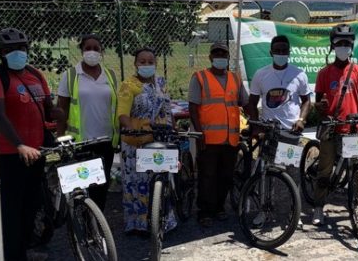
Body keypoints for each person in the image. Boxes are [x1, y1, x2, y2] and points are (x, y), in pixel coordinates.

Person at [0, 28, 63, 261]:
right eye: (11, 49)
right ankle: (12, 255)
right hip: (4, 152)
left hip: (35, 151)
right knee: (10, 209)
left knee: (32, 204)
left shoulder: (35, 74)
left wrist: (58, 112)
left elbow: (47, 108)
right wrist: (19, 145)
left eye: (22, 48)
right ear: (1, 53)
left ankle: (24, 249)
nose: (18, 52)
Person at [313, 24, 358, 225]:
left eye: (348, 44)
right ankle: (318, 206)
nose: (344, 47)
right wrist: (321, 105)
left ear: (352, 46)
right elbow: (318, 103)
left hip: (353, 129)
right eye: (340, 43)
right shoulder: (324, 73)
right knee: (325, 170)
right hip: (332, 128)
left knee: (357, 170)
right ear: (333, 46)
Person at [117, 47, 177, 234]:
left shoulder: (161, 82)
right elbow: (122, 114)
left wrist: (173, 127)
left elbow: (167, 108)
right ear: (135, 64)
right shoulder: (128, 85)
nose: (146, 65)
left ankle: (165, 222)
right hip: (136, 141)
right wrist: (129, 126)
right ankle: (139, 224)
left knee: (162, 180)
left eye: (150, 61)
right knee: (138, 184)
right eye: (142, 62)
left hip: (160, 137)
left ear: (155, 63)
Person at [188, 42, 248, 227]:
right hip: (208, 138)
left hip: (230, 139)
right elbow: (193, 107)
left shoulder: (235, 78)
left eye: (224, 53)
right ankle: (204, 211)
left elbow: (244, 102)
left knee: (226, 176)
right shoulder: (200, 77)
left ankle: (220, 207)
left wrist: (253, 121)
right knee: (207, 176)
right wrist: (199, 134)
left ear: (228, 57)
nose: (220, 56)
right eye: (216, 53)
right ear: (210, 57)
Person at [56, 34, 118, 210]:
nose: (92, 52)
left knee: (101, 186)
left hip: (105, 141)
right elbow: (62, 110)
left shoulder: (110, 75)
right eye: (87, 48)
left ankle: (98, 227)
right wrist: (61, 138)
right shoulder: (70, 76)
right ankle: (82, 228)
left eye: (96, 48)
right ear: (82, 51)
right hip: (80, 143)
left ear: (102, 52)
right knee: (82, 188)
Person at [247, 35, 311, 133]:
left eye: (284, 51)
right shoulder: (260, 74)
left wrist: (301, 120)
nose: (281, 53)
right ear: (271, 53)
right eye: (277, 51)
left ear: (289, 53)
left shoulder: (299, 74)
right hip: (268, 129)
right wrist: (255, 124)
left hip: (292, 129)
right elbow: (252, 102)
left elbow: (306, 101)